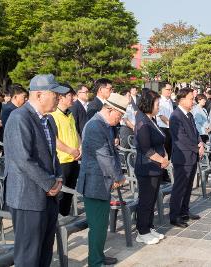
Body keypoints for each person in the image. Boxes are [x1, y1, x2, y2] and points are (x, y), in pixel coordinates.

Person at [4, 74, 67, 267]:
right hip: (27, 197)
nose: (59, 97)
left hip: (48, 196)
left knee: (44, 253)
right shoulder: (19, 117)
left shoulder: (48, 120)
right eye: (55, 93)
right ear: (39, 95)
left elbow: (52, 154)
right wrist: (49, 183)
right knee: (28, 256)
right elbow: (23, 159)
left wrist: (58, 178)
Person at [76, 93, 128, 267]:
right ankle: (95, 261)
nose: (120, 120)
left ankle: (98, 256)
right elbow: (104, 156)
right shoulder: (95, 126)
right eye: (119, 115)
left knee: (101, 224)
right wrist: (119, 177)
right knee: (97, 226)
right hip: (94, 182)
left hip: (102, 181)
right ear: (110, 109)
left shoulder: (104, 124)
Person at [134, 90, 169, 245]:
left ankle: (149, 226)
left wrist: (165, 156)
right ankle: (142, 231)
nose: (159, 106)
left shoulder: (151, 119)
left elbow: (160, 141)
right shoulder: (142, 121)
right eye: (157, 103)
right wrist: (161, 160)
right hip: (147, 167)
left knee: (152, 198)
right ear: (149, 104)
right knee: (146, 200)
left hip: (157, 166)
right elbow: (146, 149)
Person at [169, 88, 204, 228]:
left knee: (188, 186)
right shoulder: (175, 116)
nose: (193, 101)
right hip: (182, 157)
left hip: (192, 155)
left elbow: (195, 132)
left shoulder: (189, 115)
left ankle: (184, 211)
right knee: (179, 187)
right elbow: (181, 138)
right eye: (191, 98)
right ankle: (175, 215)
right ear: (182, 99)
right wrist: (197, 148)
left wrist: (200, 142)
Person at [49, 84, 81, 216]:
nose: (73, 98)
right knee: (61, 193)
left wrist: (80, 147)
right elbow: (53, 139)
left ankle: (65, 216)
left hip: (74, 159)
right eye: (70, 96)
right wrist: (70, 151)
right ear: (61, 97)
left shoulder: (70, 114)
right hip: (62, 161)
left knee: (70, 192)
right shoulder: (53, 115)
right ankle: (58, 220)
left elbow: (76, 133)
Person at [156, 84, 174, 183]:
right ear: (162, 90)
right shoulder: (160, 100)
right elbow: (161, 116)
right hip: (163, 128)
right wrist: (170, 124)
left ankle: (165, 173)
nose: (170, 91)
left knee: (169, 152)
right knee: (163, 151)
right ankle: (161, 175)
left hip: (169, 128)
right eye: (167, 89)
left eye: (171, 89)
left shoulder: (170, 101)